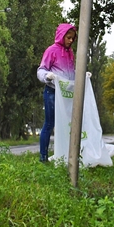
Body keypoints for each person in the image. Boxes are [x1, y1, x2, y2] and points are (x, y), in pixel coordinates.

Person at [36, 23, 77, 162]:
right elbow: (41, 70)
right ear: (62, 36)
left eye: (73, 38)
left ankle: (66, 156)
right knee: (49, 124)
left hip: (67, 95)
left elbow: (70, 72)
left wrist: (81, 76)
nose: (71, 41)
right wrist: (47, 76)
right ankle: (43, 157)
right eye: (68, 37)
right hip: (52, 92)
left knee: (68, 125)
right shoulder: (51, 51)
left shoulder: (70, 53)